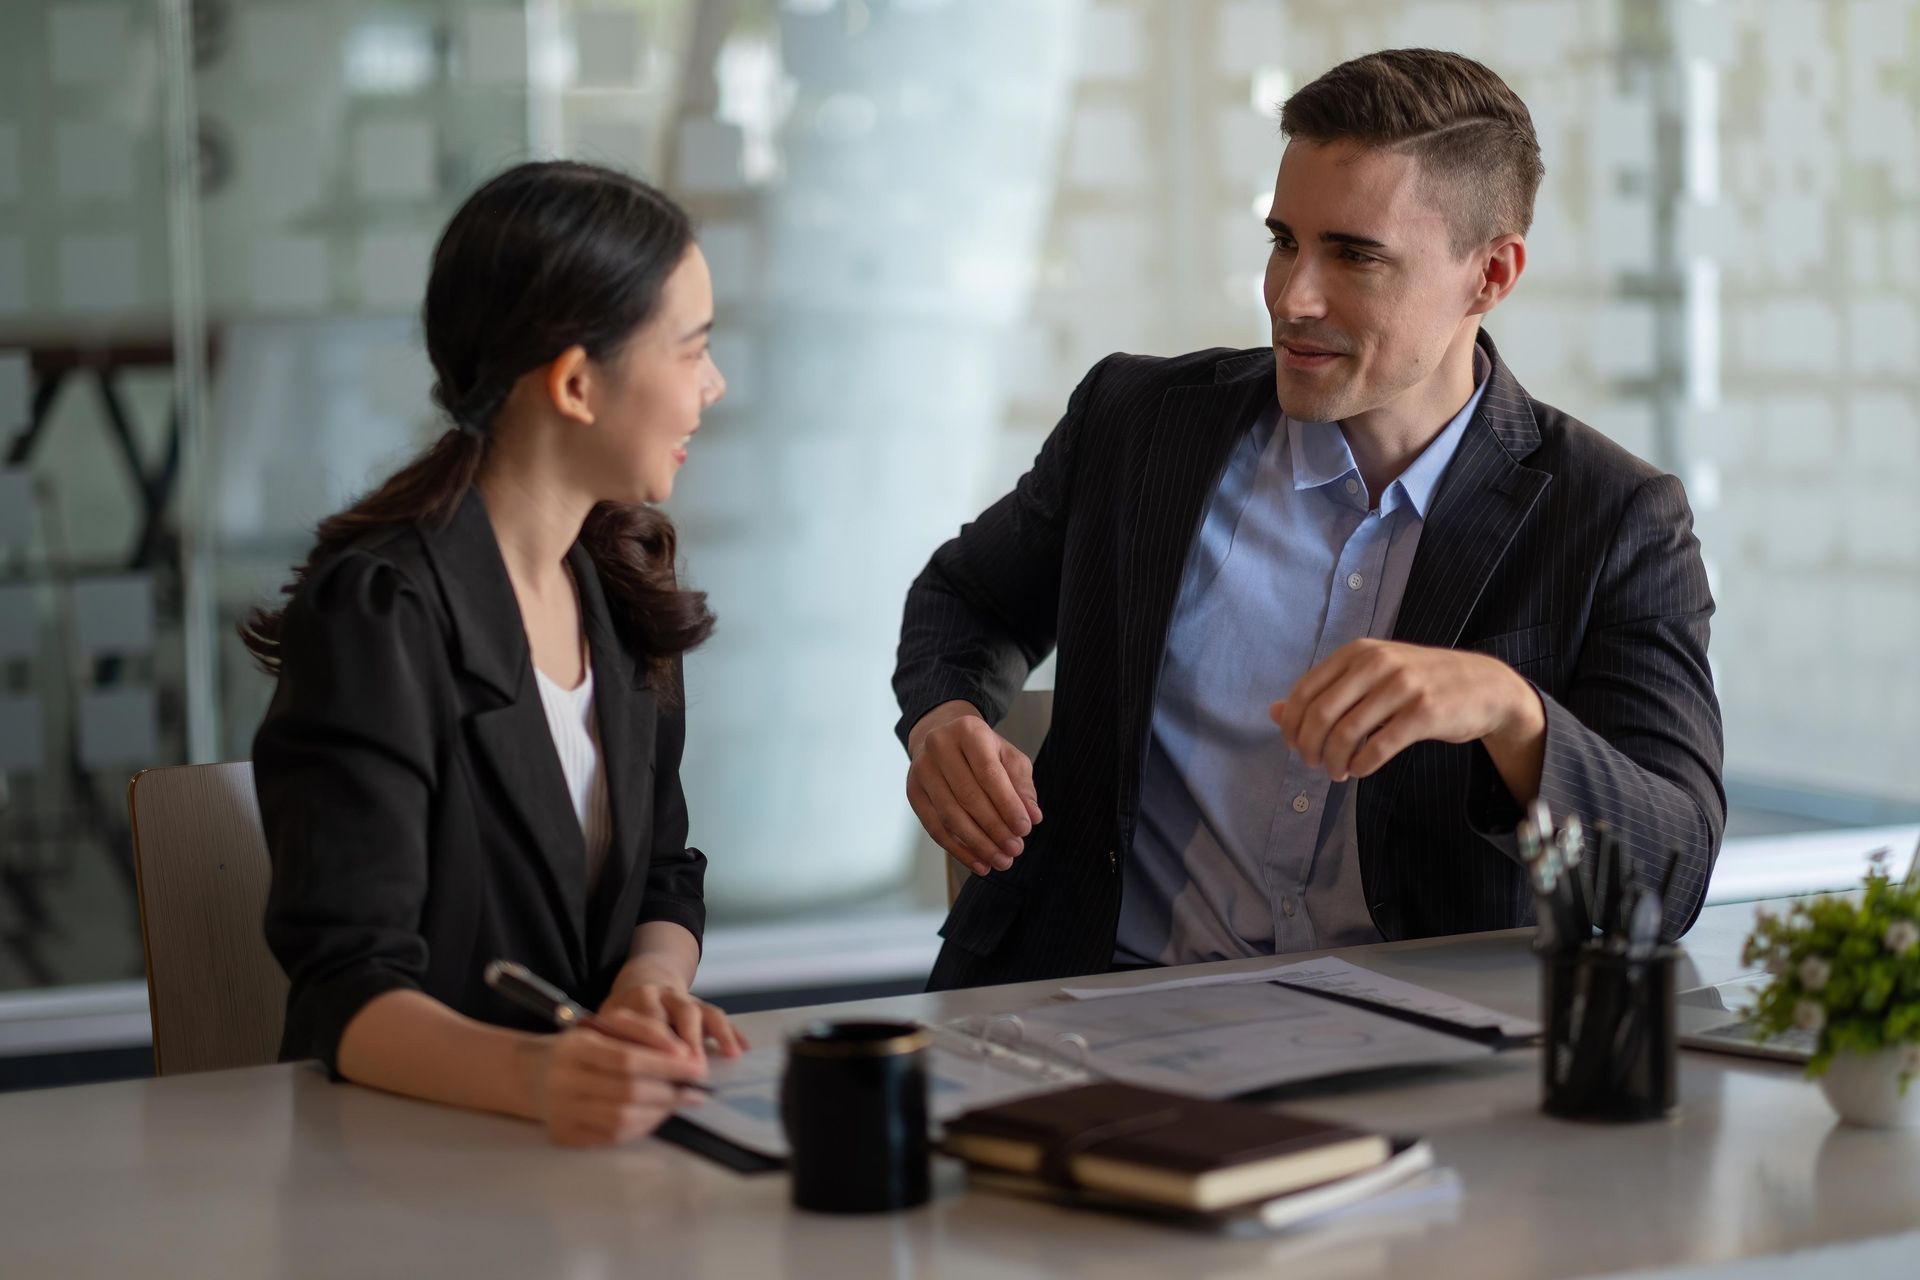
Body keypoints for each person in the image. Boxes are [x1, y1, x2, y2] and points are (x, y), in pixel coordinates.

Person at [894, 49, 1725, 991]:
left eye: (1355, 255)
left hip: (1417, 1061)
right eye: (1284, 240)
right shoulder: (1138, 423)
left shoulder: (1615, 519)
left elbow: (1675, 868)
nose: (1292, 298)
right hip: (1092, 1015)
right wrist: (942, 719)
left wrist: (1510, 713)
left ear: (1491, 274)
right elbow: (963, 599)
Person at [246, 160, 747, 1146]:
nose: (714, 385)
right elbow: (348, 988)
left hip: (583, 1161)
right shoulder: (380, 609)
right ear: (574, 382)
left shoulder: (623, 585)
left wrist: (647, 986)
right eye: (691, 350)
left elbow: (663, 872)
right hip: (402, 1171)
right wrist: (540, 1074)